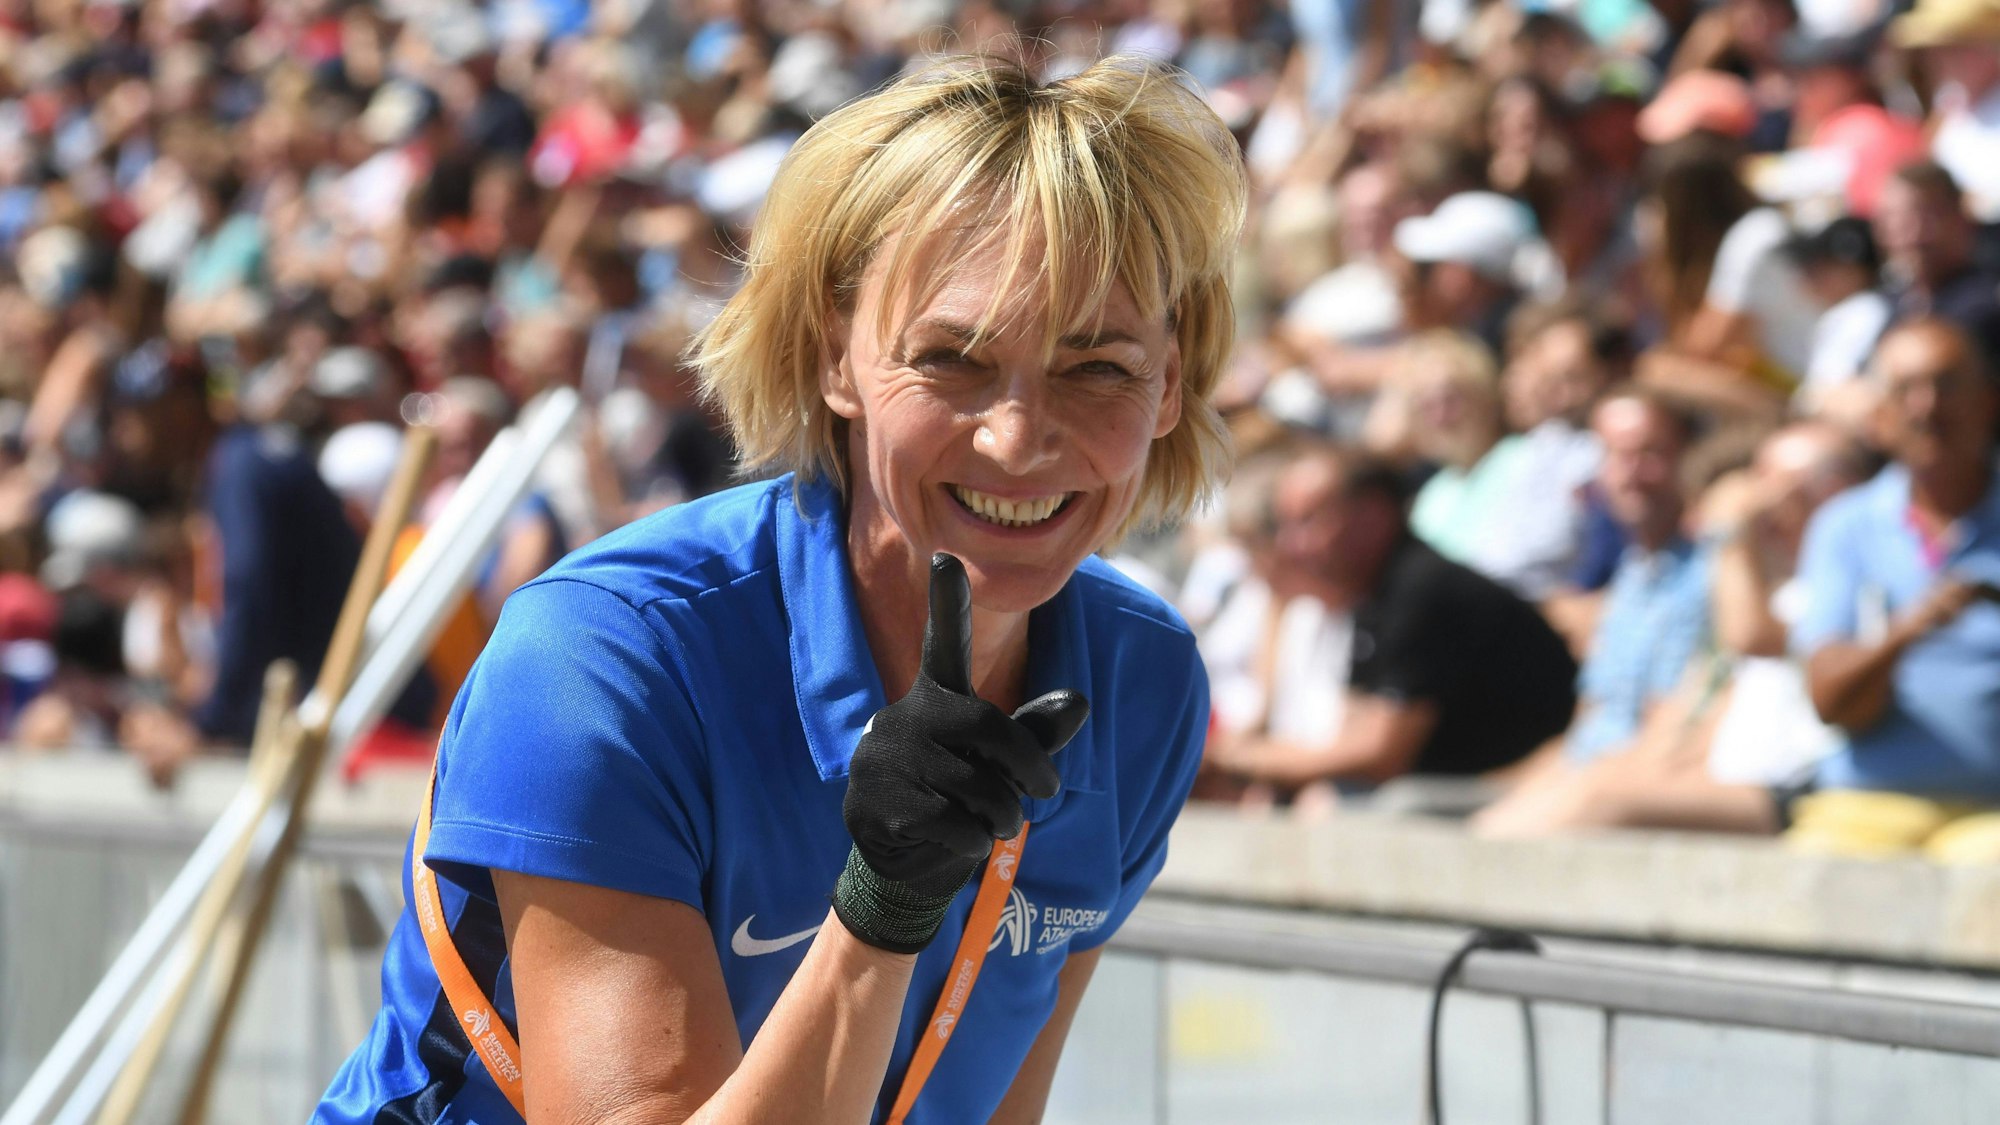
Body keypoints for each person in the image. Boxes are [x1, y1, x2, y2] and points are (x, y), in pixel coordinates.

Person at [316, 55, 1242, 1123]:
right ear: (832, 359)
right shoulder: (601, 659)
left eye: (1097, 368)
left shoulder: (1144, 679)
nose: (1019, 438)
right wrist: (880, 911)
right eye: (952, 359)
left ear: (1168, 385)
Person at [1474, 421, 1868, 837]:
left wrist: (1731, 530)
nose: (1759, 496)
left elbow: (1750, 637)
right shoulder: (1776, 587)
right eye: (1759, 477)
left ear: (1835, 492)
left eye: (1779, 482)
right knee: (1563, 796)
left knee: (1597, 802)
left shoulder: (1850, 585)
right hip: (1728, 781)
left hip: (1798, 791)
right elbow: (1696, 703)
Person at [1206, 444, 1578, 792]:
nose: (1290, 545)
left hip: (1528, 786)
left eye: (1308, 521)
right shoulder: (1373, 596)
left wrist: (1240, 759)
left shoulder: (1424, 589)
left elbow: (1379, 755)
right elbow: (1350, 734)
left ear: (1373, 515)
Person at [1788, 319, 2000, 857]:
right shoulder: (1845, 526)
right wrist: (1910, 629)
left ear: (1989, 400)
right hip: (1864, 808)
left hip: (1990, 816)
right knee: (1802, 888)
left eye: (1947, 384)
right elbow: (1830, 698)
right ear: (1880, 418)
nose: (1926, 407)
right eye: (1906, 389)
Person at [1565, 387, 1712, 763]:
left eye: (1649, 453)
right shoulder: (1631, 571)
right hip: (1584, 778)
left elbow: (1667, 734)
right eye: (1617, 454)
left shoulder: (1712, 568)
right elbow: (1591, 718)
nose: (1631, 473)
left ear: (1688, 458)